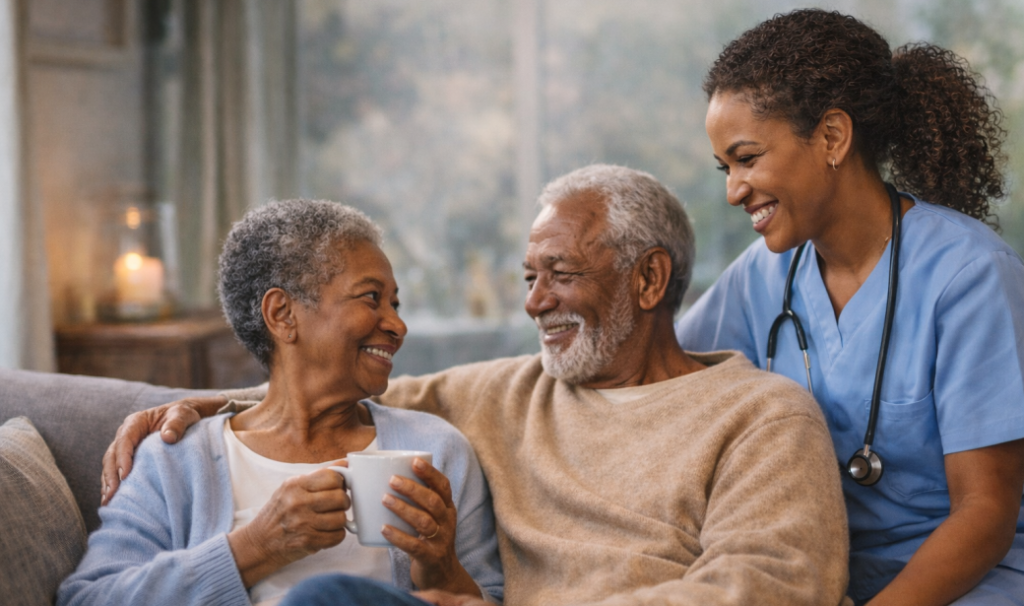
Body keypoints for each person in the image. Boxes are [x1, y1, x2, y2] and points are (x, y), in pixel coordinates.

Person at [100, 165, 854, 606]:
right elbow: (329, 393)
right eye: (530, 278)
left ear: (650, 277)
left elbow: (769, 590)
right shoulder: (502, 394)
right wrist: (207, 408)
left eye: (559, 274)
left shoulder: (763, 416)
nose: (534, 302)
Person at [675, 9, 1024, 606]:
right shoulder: (764, 275)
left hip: (962, 581)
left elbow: (985, 511)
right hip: (813, 575)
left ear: (833, 137)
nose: (733, 190)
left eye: (748, 158)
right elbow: (665, 375)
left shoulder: (968, 276)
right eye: (725, 167)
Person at [60, 200, 503, 606]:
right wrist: (255, 547)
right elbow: (87, 600)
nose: (397, 325)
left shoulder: (436, 451)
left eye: (396, 303)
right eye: (372, 298)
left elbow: (491, 599)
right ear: (282, 315)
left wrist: (441, 567)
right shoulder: (174, 458)